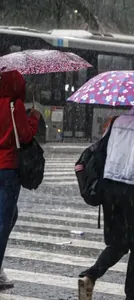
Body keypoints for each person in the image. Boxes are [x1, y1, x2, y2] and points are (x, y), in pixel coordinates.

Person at [78, 106, 134, 300]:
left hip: (109, 188)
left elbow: (105, 151)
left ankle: (90, 275)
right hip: (133, 190)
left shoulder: (117, 121)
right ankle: (133, 296)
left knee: (118, 243)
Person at [0, 70, 40, 288]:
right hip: (8, 168)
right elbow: (24, 135)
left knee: (10, 215)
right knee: (4, 223)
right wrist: (34, 117)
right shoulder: (14, 105)